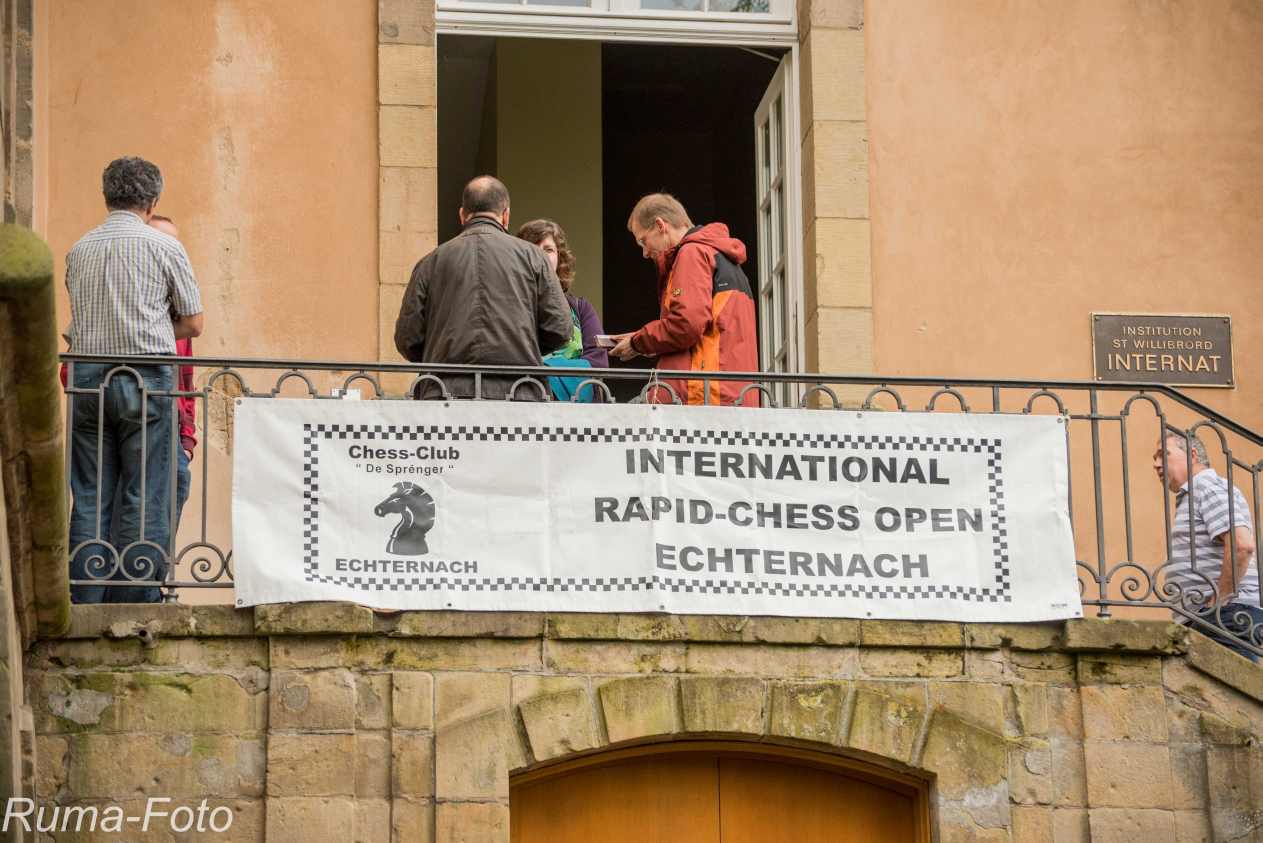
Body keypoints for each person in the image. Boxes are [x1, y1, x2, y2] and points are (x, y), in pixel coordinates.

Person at [65, 157, 203, 604]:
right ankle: (135, 598)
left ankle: (85, 598)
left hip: (88, 379)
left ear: (106, 196)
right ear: (153, 201)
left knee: (90, 493)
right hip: (146, 377)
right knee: (146, 492)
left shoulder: (79, 248)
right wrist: (155, 328)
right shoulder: (164, 246)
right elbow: (194, 323)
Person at [394, 176, 572, 400]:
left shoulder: (430, 262)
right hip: (518, 394)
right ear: (506, 215)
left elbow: (408, 339)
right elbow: (560, 330)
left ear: (462, 215)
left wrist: (440, 356)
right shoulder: (534, 257)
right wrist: (523, 347)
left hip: (445, 394)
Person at [609, 193, 758, 407]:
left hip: (701, 397)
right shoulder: (722, 257)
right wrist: (641, 340)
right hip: (733, 396)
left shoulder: (692, 252)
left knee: (618, 420)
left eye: (643, 241)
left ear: (660, 225)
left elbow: (686, 325)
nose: (645, 252)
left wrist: (638, 342)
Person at [1155, 431, 1261, 661]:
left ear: (1192, 455)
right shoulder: (1196, 492)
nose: (1157, 464)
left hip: (1226, 615)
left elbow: (1242, 546)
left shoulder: (1207, 486)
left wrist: (1216, 604)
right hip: (1218, 615)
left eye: (1164, 455)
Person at [517, 218, 607, 402]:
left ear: (560, 258)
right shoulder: (512, 306)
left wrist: (545, 369)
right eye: (533, 248)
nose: (541, 255)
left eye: (548, 249)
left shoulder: (581, 308)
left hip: (576, 409)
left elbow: (598, 362)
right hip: (526, 404)